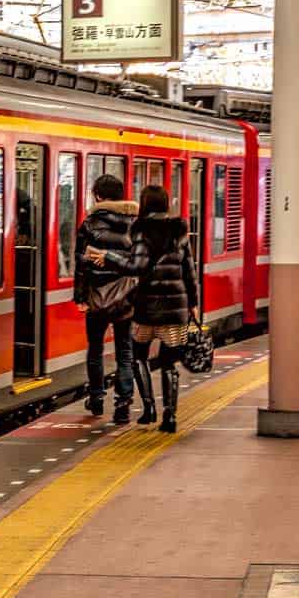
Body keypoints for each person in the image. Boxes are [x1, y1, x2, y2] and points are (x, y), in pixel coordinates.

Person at [94, 185, 199, 434]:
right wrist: (193, 303)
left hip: (148, 307)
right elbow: (189, 270)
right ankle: (170, 416)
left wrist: (109, 258)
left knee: (140, 355)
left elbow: (137, 265)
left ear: (145, 204)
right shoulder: (180, 230)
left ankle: (149, 408)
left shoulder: (141, 231)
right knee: (170, 362)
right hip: (176, 308)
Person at [73, 174, 138, 423]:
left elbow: (81, 263)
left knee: (96, 350)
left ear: (98, 196)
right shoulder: (136, 223)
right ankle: (123, 404)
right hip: (126, 298)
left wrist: (80, 297)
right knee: (124, 350)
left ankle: (97, 398)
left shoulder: (89, 224)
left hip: (97, 297)